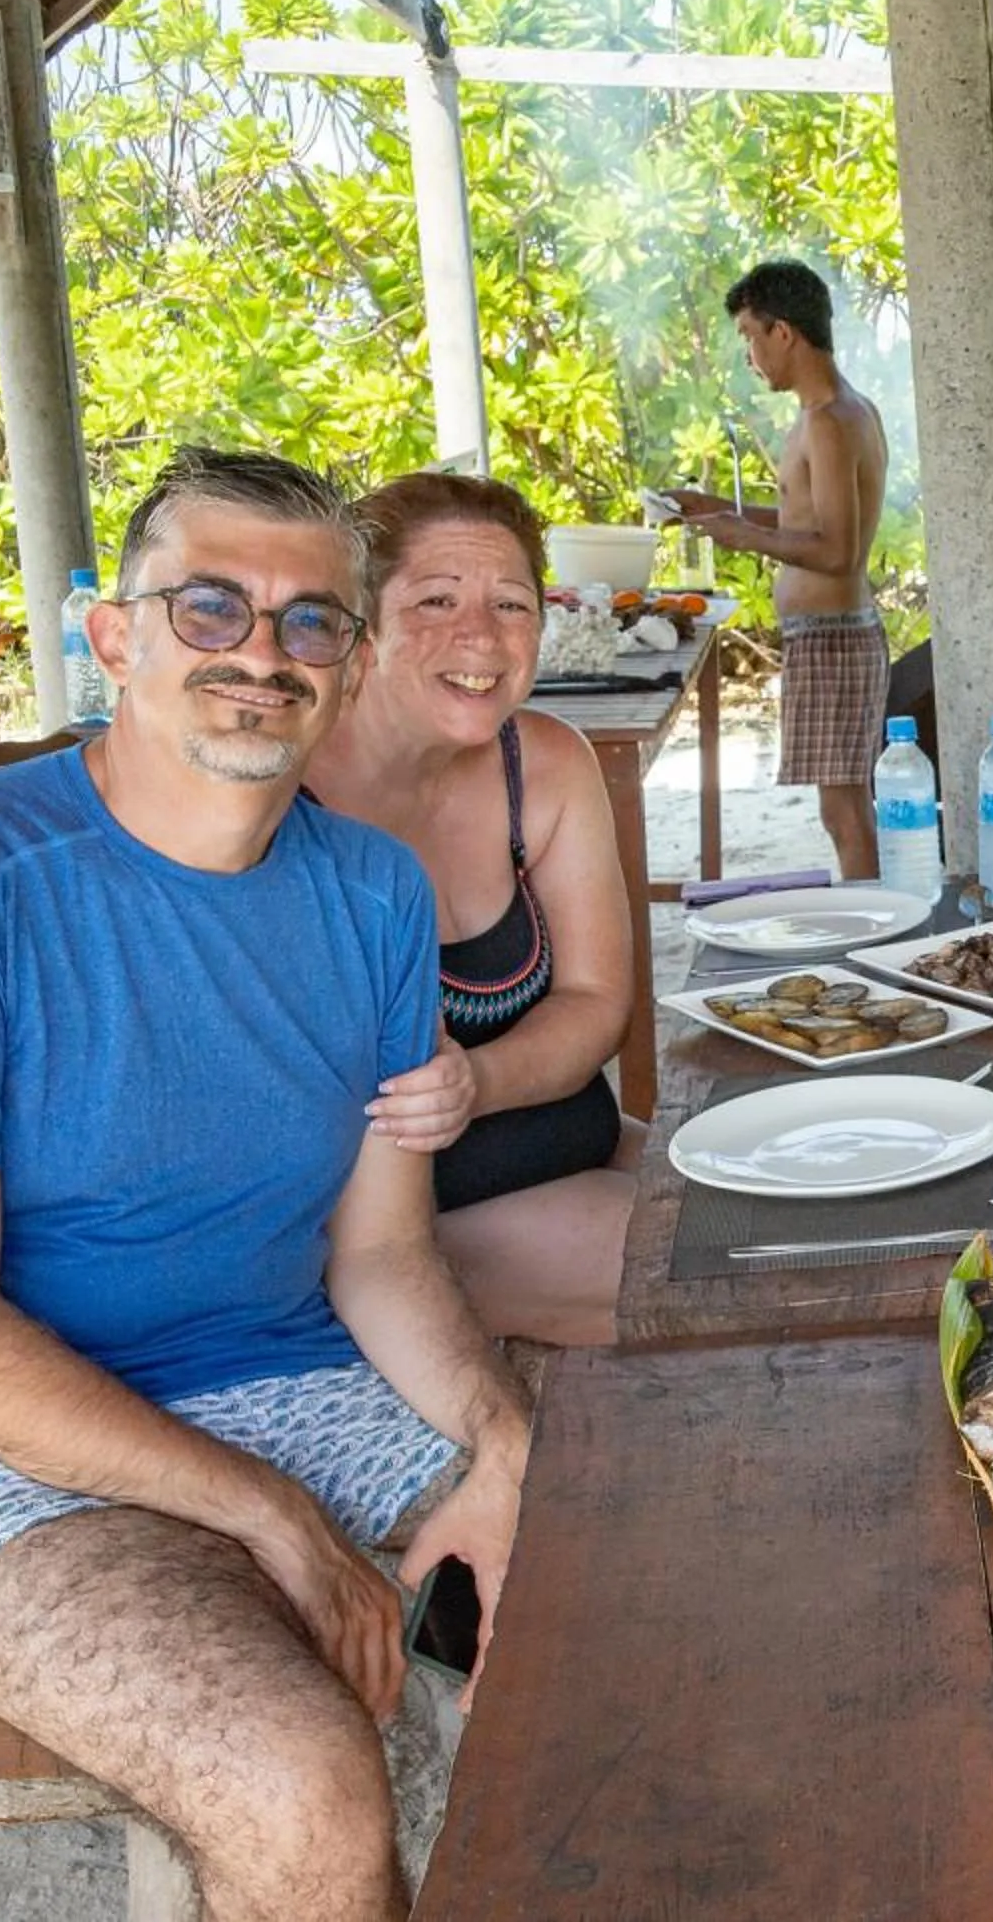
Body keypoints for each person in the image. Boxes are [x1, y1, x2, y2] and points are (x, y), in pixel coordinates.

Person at [0, 448, 528, 1922]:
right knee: (298, 1780)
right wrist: (272, 1516)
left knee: (629, 1581)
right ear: (113, 635)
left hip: (272, 1372)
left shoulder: (375, 892)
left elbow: (379, 1259)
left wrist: (506, 1443)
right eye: (211, 609)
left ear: (353, 659)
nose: (262, 653)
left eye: (309, 621)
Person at [305, 470, 639, 1349]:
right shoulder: (283, 801)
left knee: (807, 1224)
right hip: (403, 1227)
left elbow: (598, 1000)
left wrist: (476, 1083)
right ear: (362, 623)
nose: (479, 636)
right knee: (722, 1278)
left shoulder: (548, 764)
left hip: (576, 1143)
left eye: (512, 605)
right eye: (435, 600)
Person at [670, 258, 890, 881]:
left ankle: (873, 928)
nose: (749, 354)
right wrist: (720, 509)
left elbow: (838, 551)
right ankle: (870, 919)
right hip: (825, 637)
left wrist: (743, 535)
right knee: (840, 808)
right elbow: (806, 517)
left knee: (845, 812)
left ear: (784, 333)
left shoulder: (831, 421)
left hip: (835, 638)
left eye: (749, 335)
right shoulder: (833, 412)